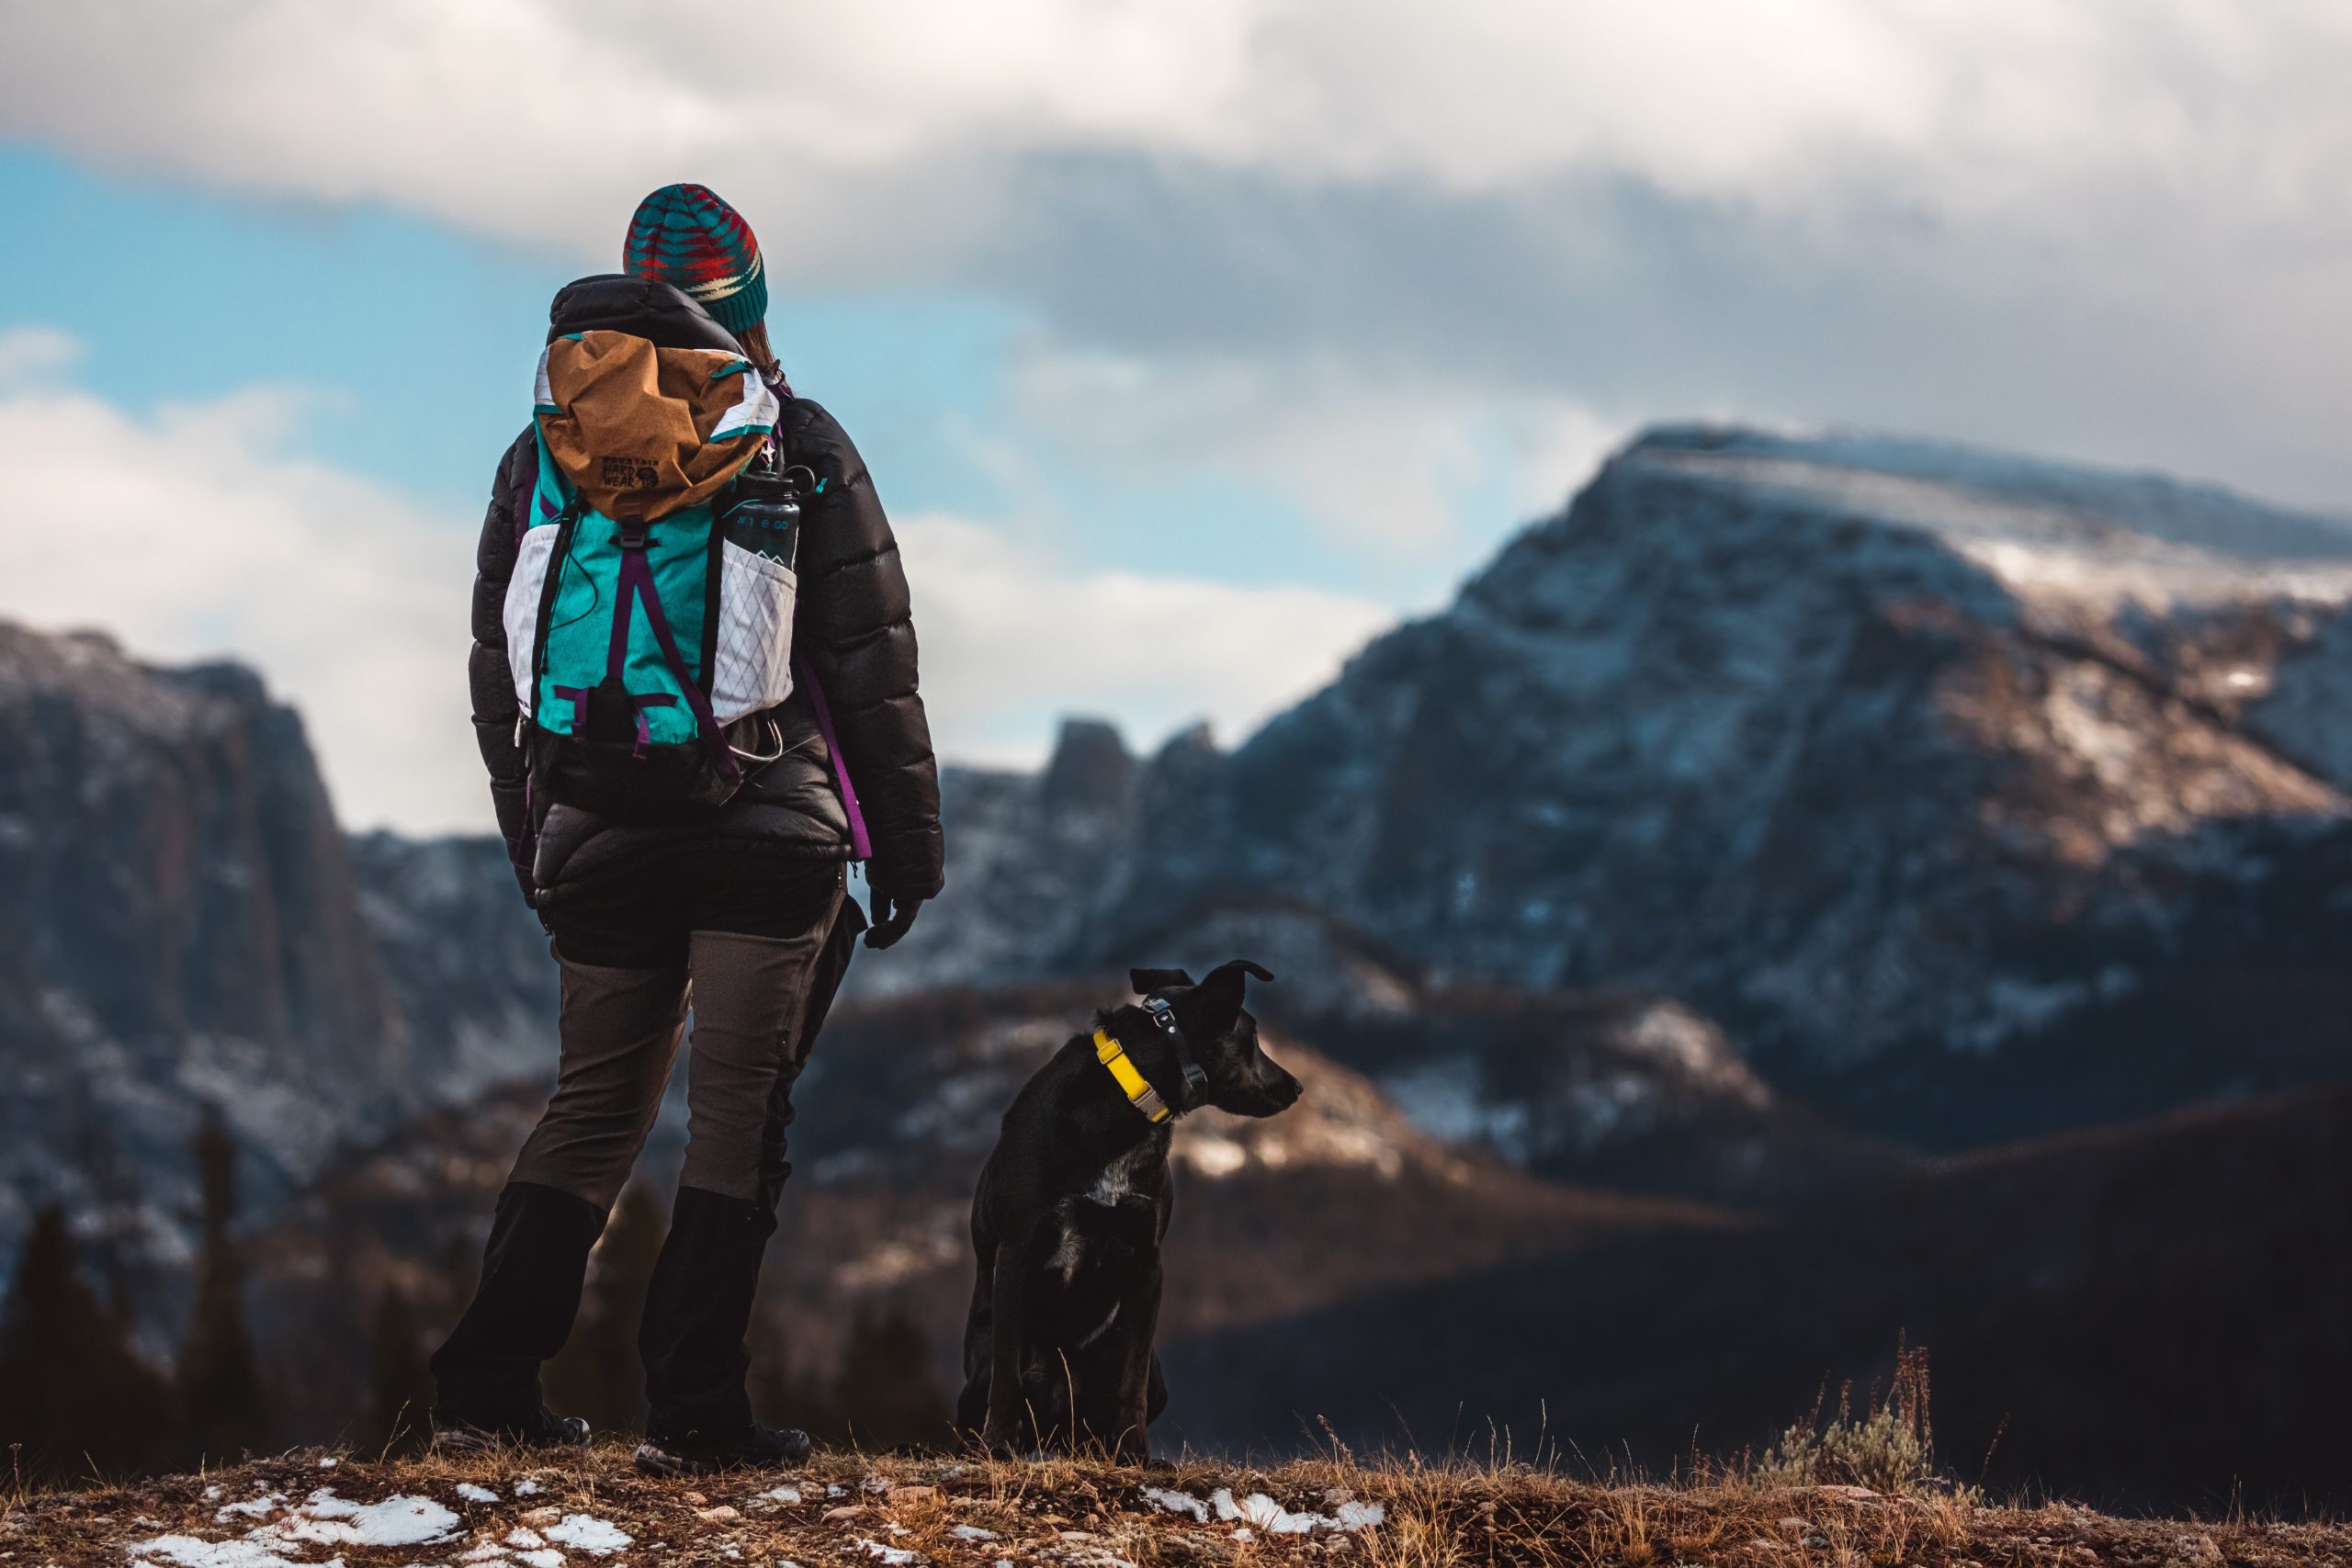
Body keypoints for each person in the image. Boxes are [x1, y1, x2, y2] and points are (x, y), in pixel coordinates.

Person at [429, 184, 944, 1473]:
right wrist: (910, 850)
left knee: (592, 1107)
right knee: (735, 1117)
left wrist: (533, 838)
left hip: (594, 828)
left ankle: (488, 1385)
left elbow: (501, 670)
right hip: (767, 833)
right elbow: (870, 664)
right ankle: (697, 1412)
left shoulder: (542, 446)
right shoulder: (799, 440)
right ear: (752, 306)